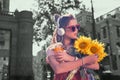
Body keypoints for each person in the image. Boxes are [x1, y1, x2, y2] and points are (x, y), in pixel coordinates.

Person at [46, 14, 99, 80]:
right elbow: (58, 69)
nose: (76, 30)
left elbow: (96, 66)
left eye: (77, 27)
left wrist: (70, 58)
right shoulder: (53, 48)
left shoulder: (81, 46)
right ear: (62, 30)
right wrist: (85, 60)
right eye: (72, 28)